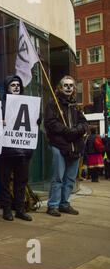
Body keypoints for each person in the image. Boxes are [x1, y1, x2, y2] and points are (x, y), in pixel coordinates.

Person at [44, 75, 88, 217]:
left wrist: (77, 130)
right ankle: (53, 205)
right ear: (60, 87)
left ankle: (64, 203)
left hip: (75, 146)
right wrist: (65, 130)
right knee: (58, 177)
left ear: (74, 88)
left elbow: (84, 123)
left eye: (71, 85)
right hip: (58, 145)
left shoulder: (76, 105)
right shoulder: (53, 104)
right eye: (65, 85)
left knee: (70, 178)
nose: (68, 87)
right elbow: (50, 122)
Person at [0, 75, 33, 222]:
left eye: (18, 84)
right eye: (13, 85)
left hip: (23, 150)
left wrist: (37, 120)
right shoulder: (1, 104)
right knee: (5, 182)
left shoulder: (28, 104)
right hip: (6, 150)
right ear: (7, 87)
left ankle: (20, 209)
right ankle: (7, 210)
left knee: (21, 182)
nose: (16, 87)